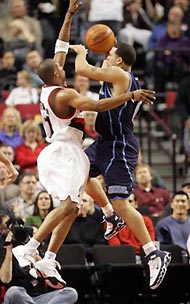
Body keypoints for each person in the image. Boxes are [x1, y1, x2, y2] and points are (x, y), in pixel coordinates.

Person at [12, 0, 155, 290]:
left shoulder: (51, 83)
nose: (66, 71)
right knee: (67, 207)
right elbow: (98, 104)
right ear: (57, 75)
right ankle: (29, 247)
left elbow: (60, 47)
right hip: (63, 152)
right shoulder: (64, 96)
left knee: (74, 207)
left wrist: (68, 15)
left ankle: (50, 256)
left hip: (67, 151)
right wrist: (130, 96)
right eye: (61, 70)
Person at [70, 40, 171, 289]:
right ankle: (108, 215)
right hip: (104, 143)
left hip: (119, 146)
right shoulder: (116, 76)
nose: (106, 55)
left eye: (110, 53)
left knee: (122, 204)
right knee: (79, 173)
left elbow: (84, 70)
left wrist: (82, 52)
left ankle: (152, 251)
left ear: (118, 60)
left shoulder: (119, 73)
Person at [0, 223, 78, 304]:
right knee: (14, 291)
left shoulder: (39, 253)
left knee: (70, 292)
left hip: (41, 298)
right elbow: (5, 280)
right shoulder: (6, 253)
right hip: (20, 297)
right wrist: (9, 249)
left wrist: (33, 251)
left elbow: (52, 281)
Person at [107, 193, 155, 263]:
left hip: (144, 258)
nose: (127, 205)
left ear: (136, 204)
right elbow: (115, 247)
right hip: (123, 259)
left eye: (130, 201)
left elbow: (150, 243)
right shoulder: (111, 222)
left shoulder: (146, 221)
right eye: (123, 202)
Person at [155, 191, 190, 263]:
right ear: (172, 204)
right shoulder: (163, 225)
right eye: (177, 201)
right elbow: (162, 248)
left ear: (188, 205)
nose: (180, 204)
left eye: (183, 201)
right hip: (173, 261)